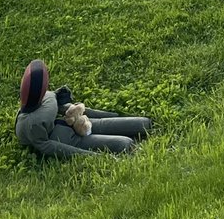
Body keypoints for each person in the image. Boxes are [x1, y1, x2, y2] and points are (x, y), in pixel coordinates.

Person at [16, 59, 152, 158]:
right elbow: (49, 146)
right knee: (125, 143)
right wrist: (92, 155)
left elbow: (66, 106)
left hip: (78, 120)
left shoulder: (47, 97)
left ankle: (141, 126)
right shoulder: (32, 124)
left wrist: (108, 115)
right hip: (66, 138)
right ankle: (126, 144)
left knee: (143, 123)